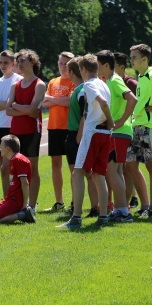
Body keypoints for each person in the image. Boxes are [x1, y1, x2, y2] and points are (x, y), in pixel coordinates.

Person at [59, 54, 114, 229]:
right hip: (105, 133)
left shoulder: (90, 85)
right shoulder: (104, 84)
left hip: (93, 132)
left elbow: (103, 103)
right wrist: (110, 124)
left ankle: (76, 218)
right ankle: (103, 217)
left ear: (83, 69)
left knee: (77, 173)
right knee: (99, 175)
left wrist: (111, 120)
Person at [96, 50, 136, 222]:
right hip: (119, 132)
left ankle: (123, 212)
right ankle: (121, 210)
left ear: (106, 65)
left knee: (112, 171)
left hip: (118, 132)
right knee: (117, 171)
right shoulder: (110, 81)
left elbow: (132, 99)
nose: (96, 69)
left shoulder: (114, 81)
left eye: (97, 65)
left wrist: (119, 121)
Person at [6, 49, 46, 215]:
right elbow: (8, 110)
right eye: (18, 61)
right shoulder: (15, 85)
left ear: (32, 63)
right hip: (16, 132)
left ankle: (32, 204)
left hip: (31, 131)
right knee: (15, 168)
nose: (20, 64)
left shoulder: (40, 84)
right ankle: (18, 202)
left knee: (32, 168)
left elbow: (32, 111)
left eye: (23, 61)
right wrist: (23, 108)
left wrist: (16, 106)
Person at [63, 57, 97, 216]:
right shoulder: (79, 89)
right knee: (80, 173)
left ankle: (90, 208)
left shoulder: (82, 90)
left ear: (71, 71)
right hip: (75, 134)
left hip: (77, 135)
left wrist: (79, 135)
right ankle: (85, 207)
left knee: (84, 174)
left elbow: (86, 112)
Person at [0, 50, 22, 196]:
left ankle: (19, 196)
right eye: (0, 62)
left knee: (15, 166)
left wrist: (1, 104)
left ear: (13, 64)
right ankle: (7, 197)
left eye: (6, 62)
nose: (2, 65)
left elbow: (17, 104)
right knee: (3, 167)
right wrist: (7, 104)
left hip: (13, 128)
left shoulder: (19, 81)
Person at [124, 44, 152, 218]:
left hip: (149, 127)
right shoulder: (142, 77)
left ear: (145, 59)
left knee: (151, 167)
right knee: (130, 165)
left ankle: (151, 209)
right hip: (137, 126)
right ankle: (145, 205)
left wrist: (150, 110)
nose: (131, 60)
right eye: (131, 57)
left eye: (134, 57)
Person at [42, 51, 75, 212]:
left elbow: (70, 102)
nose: (62, 67)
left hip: (69, 128)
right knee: (55, 165)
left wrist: (54, 100)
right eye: (60, 63)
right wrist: (59, 101)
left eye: (66, 64)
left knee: (72, 166)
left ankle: (75, 201)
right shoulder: (53, 81)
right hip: (53, 127)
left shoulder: (74, 81)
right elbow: (44, 101)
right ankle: (59, 202)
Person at [0, 135, 34, 224]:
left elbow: (25, 183)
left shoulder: (18, 160)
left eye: (1, 146)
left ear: (8, 149)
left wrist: (25, 204)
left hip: (15, 200)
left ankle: (23, 214)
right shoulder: (13, 159)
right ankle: (20, 213)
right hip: (9, 198)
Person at [114, 52, 141, 209]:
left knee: (129, 166)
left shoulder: (130, 83)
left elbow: (138, 104)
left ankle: (132, 199)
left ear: (121, 67)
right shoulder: (110, 81)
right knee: (123, 166)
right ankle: (128, 200)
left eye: (114, 66)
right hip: (119, 129)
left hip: (129, 128)